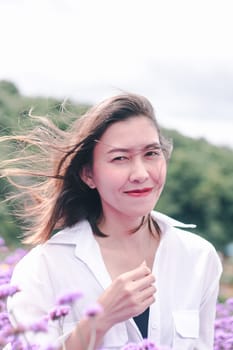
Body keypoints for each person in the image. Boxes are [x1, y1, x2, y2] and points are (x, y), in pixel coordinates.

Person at [2, 93, 222, 350]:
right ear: (88, 174)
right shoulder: (44, 268)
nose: (141, 173)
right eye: (120, 158)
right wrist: (99, 320)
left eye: (151, 153)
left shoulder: (199, 258)